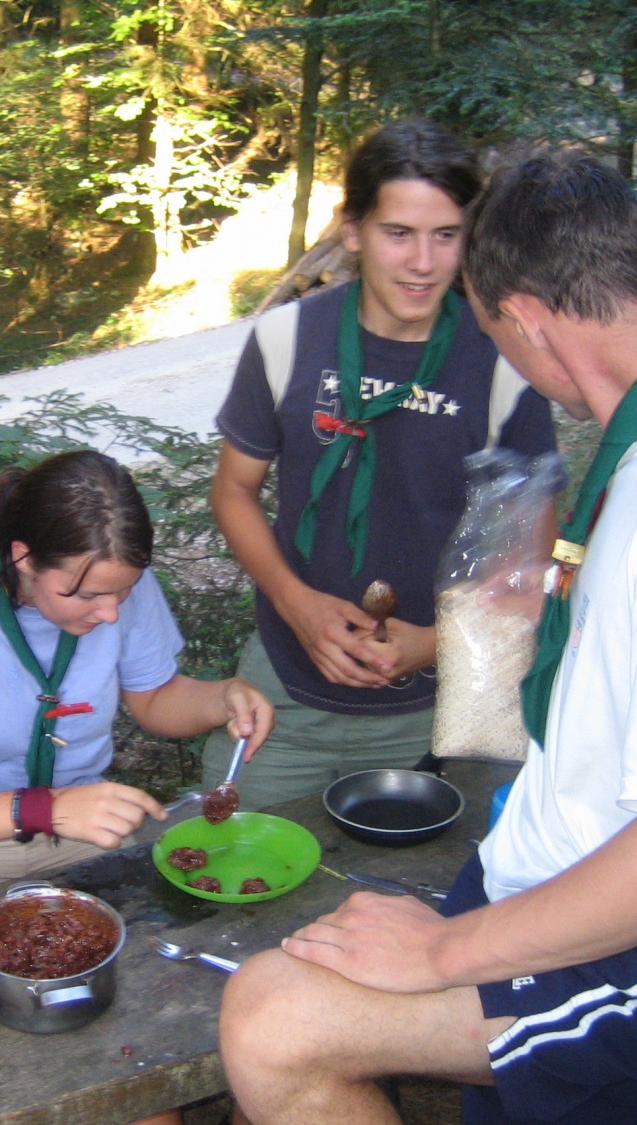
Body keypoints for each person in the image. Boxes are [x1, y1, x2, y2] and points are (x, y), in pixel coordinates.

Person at [217, 151, 637, 1124]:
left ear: (530, 318)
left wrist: (441, 951)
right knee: (318, 956)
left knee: (273, 1019)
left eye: (489, 326)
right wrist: (567, 602)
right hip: (547, 866)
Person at [204, 119, 557, 812]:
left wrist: (435, 643)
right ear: (353, 229)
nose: (423, 262)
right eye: (399, 233)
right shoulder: (286, 341)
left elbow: (530, 559)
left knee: (420, 889)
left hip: (439, 710)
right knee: (221, 850)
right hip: (285, 691)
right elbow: (234, 492)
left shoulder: (502, 364)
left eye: (446, 235)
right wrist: (296, 602)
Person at [0, 449, 275, 914]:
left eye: (123, 591)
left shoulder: (115, 576)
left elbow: (156, 701)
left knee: (151, 941)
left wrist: (224, 698)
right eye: (87, 595)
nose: (110, 612)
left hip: (77, 829)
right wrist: (48, 808)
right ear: (23, 558)